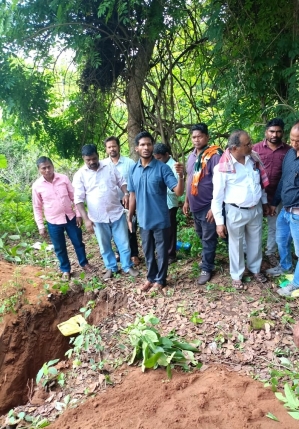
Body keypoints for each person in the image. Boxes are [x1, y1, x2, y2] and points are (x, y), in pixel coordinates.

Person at [211, 130, 269, 289]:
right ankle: (237, 275)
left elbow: (260, 185)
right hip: (235, 211)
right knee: (236, 245)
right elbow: (217, 197)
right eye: (247, 144)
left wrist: (264, 203)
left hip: (255, 208)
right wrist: (219, 222)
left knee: (255, 241)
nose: (251, 145)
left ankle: (255, 269)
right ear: (235, 148)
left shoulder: (254, 159)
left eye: (250, 142)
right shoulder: (221, 168)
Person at [127, 131, 184, 292]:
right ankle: (150, 278)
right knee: (147, 251)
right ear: (137, 148)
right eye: (142, 145)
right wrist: (130, 216)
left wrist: (181, 176)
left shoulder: (162, 168)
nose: (146, 147)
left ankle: (161, 280)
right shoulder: (133, 169)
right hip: (143, 219)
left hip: (160, 219)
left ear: (152, 146)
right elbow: (132, 194)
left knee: (161, 251)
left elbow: (178, 192)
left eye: (149, 144)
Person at [72, 144, 138, 281]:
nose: (91, 162)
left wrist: (126, 193)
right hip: (97, 217)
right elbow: (78, 199)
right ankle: (111, 267)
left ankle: (127, 266)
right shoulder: (80, 175)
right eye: (88, 160)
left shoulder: (109, 166)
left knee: (124, 242)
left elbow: (121, 181)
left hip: (116, 213)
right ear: (83, 159)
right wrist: (86, 219)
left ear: (98, 155)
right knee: (104, 245)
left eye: (94, 158)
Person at [32, 156, 93, 281]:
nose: (47, 170)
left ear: (52, 166)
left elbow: (74, 197)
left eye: (49, 166)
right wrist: (41, 226)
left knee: (78, 242)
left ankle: (84, 263)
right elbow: (37, 207)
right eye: (44, 168)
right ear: (39, 170)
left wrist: (78, 214)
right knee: (59, 247)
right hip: (53, 221)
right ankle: (65, 269)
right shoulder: (37, 186)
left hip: (70, 218)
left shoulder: (63, 179)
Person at [183, 123, 223, 285]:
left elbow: (220, 184)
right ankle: (210, 258)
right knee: (202, 235)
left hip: (209, 206)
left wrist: (215, 208)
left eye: (200, 136)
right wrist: (186, 200)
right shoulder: (191, 156)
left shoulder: (214, 156)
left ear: (207, 137)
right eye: (193, 137)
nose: (196, 140)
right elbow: (189, 179)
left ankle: (207, 267)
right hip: (195, 205)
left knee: (208, 238)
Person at [267, 121, 299, 296]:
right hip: (285, 211)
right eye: (292, 140)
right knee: (281, 240)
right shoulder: (289, 154)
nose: (294, 144)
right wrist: (274, 202)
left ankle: (296, 284)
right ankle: (286, 266)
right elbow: (283, 181)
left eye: (298, 141)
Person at [253, 118, 290, 265]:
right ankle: (252, 254)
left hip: (277, 197)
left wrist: (275, 201)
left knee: (274, 226)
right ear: (266, 132)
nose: (275, 134)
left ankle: (270, 252)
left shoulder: (289, 151)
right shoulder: (255, 149)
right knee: (254, 227)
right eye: (272, 131)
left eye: (278, 131)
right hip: (256, 196)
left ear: (282, 133)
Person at [104, 136, 140, 265]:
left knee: (131, 227)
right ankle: (120, 252)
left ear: (118, 147)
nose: (112, 149)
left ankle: (134, 254)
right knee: (115, 230)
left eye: (114, 146)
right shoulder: (103, 165)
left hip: (128, 200)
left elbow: (135, 182)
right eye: (109, 147)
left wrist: (130, 197)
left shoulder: (129, 163)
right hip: (112, 203)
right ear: (106, 149)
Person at [153, 143, 179, 264]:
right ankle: (163, 252)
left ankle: (171, 254)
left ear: (167, 155)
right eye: (156, 158)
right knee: (160, 229)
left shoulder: (174, 167)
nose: (157, 160)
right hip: (158, 203)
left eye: (159, 158)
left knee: (170, 229)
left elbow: (176, 188)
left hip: (169, 203)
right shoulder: (158, 166)